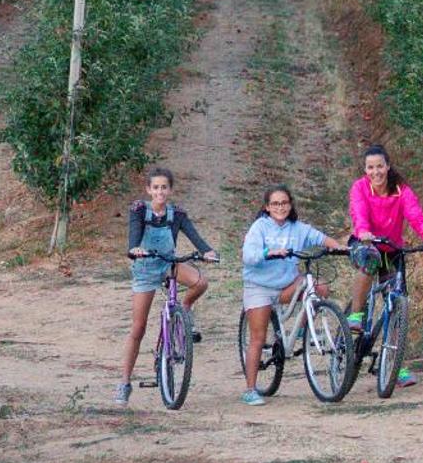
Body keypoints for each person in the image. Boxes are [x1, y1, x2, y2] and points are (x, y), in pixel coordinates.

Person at [346, 145, 423, 388]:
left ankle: (396, 365)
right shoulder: (360, 187)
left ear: (388, 166)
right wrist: (364, 232)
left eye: (380, 166)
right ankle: (356, 314)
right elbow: (359, 213)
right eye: (370, 167)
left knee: (398, 303)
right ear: (365, 169)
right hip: (365, 243)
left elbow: (417, 218)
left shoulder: (401, 191)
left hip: (392, 249)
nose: (376, 172)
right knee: (369, 261)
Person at [118, 167, 218, 405]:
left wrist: (207, 251)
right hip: (144, 268)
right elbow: (134, 234)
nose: (160, 191)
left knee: (200, 282)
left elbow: (194, 236)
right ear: (148, 190)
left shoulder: (178, 214)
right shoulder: (140, 210)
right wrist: (134, 249)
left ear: (170, 190)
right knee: (138, 327)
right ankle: (124, 381)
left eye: (164, 187)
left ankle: (183, 310)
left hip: (167, 264)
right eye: (156, 187)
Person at [239, 185, 344, 405]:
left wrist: (341, 249)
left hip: (287, 285)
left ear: (291, 204)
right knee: (258, 338)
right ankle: (250, 389)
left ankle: (303, 332)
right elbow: (248, 256)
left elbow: (321, 238)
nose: (280, 207)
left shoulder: (297, 228)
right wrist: (269, 252)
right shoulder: (260, 227)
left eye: (284, 203)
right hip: (259, 287)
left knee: (319, 287)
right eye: (275, 203)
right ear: (267, 207)